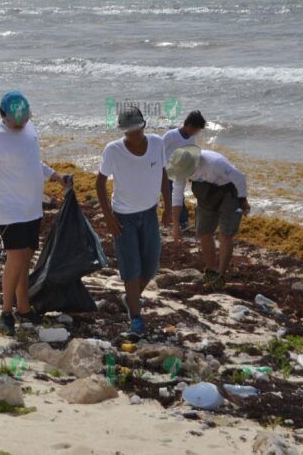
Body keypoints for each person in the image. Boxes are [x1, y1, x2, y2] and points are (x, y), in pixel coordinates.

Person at [0, 91, 73, 335]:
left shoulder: (29, 129)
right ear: (4, 116)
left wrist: (56, 176)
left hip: (31, 207)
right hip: (8, 210)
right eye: (18, 119)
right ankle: (6, 312)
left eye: (25, 117)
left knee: (26, 258)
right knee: (15, 260)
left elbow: (33, 161)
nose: (22, 122)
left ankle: (24, 307)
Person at [95, 106, 172, 338]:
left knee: (149, 266)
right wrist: (108, 216)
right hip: (123, 217)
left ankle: (130, 299)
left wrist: (168, 208)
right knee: (131, 268)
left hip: (149, 213)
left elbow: (164, 175)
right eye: (128, 132)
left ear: (144, 125)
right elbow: (100, 183)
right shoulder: (113, 150)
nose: (134, 135)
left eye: (137, 130)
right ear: (122, 131)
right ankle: (136, 319)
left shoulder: (157, 144)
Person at [166, 145, 251, 289]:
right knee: (203, 232)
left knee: (226, 234)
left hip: (229, 191)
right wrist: (175, 225)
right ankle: (211, 270)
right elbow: (177, 195)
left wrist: (242, 201)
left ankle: (221, 275)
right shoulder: (180, 167)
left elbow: (239, 178)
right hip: (205, 193)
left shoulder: (215, 163)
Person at [162, 110, 206, 234]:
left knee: (177, 195)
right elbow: (159, 151)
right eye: (196, 130)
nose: (197, 133)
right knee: (170, 194)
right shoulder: (170, 135)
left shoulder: (191, 139)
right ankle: (180, 221)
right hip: (164, 171)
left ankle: (182, 221)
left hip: (179, 171)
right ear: (190, 126)